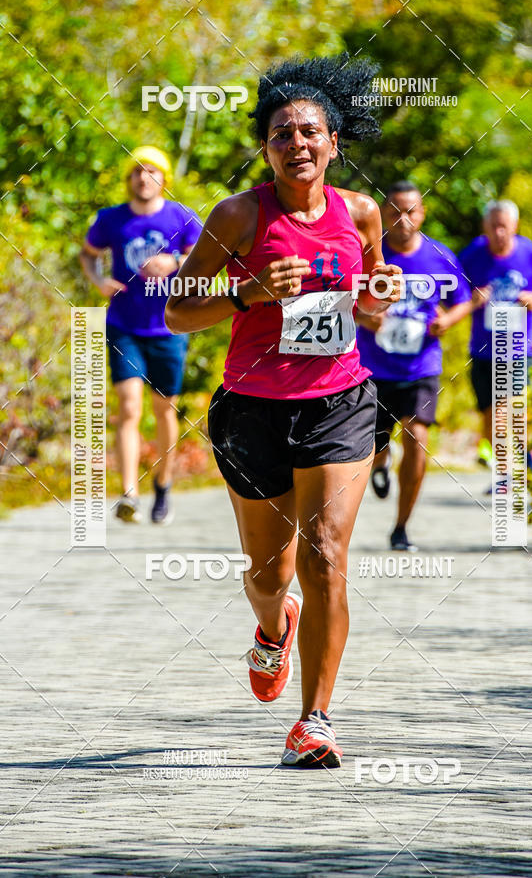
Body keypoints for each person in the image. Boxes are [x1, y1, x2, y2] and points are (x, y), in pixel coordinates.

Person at [165, 55, 401, 768]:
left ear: (333, 142)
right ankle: (274, 627)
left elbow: (370, 311)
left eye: (309, 131)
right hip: (253, 409)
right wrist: (249, 293)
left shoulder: (361, 212)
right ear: (266, 149)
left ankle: (314, 721)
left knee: (326, 552)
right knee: (271, 574)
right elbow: (178, 312)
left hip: (340, 400)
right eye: (281, 134)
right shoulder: (238, 215)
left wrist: (379, 299)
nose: (296, 142)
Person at [80, 146, 202, 524]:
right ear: (128, 179)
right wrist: (98, 280)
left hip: (170, 325)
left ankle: (163, 485)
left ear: (164, 178)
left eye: (151, 171)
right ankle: (129, 494)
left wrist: (175, 260)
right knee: (129, 407)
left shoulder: (181, 217)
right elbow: (88, 253)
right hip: (124, 325)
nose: (143, 178)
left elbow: (206, 257)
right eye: (136, 172)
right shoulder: (111, 219)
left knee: (164, 409)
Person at [356, 181, 471, 551]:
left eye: (410, 211)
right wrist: (364, 316)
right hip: (372, 367)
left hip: (421, 367)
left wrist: (448, 320)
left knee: (417, 439)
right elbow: (342, 297)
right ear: (383, 214)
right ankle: (380, 463)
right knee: (374, 443)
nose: (402, 219)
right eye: (394, 211)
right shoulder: (369, 254)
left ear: (422, 214)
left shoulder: (440, 256)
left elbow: (463, 300)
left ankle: (401, 527)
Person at [459, 200, 532, 483]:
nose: (498, 232)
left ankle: (512, 472)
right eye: (493, 226)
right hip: (482, 349)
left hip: (517, 349)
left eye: (503, 226)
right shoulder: (473, 253)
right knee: (490, 415)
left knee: (506, 408)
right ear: (485, 227)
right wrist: (473, 298)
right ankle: (517, 465)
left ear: (515, 226)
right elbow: (455, 287)